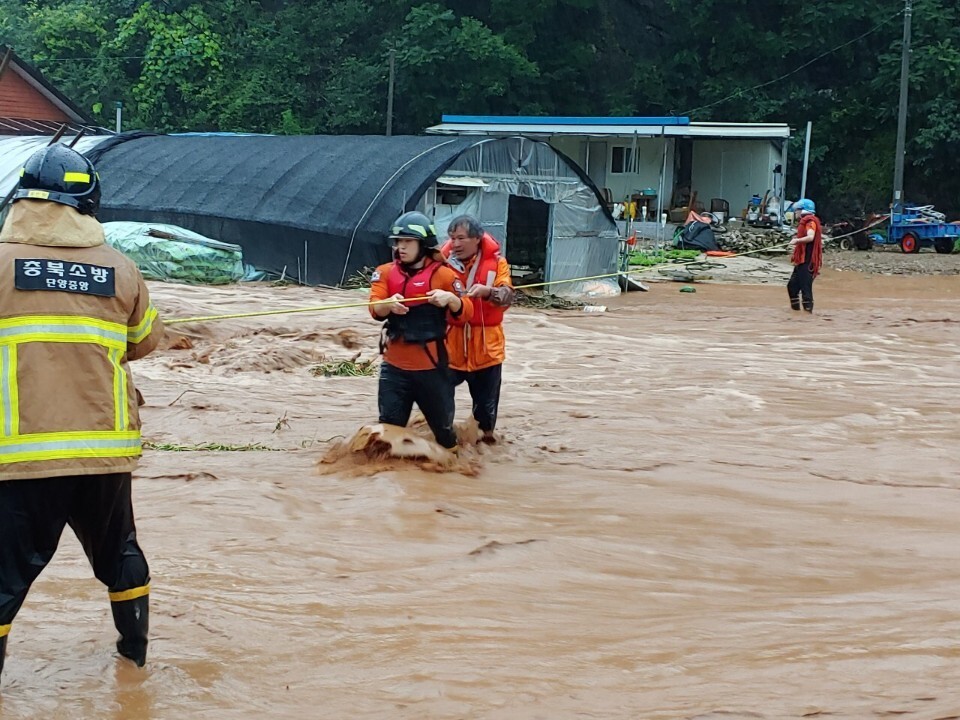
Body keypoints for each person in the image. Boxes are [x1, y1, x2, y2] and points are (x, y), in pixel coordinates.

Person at [0, 144, 163, 679]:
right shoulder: (120, 268)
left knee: (5, 575)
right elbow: (144, 341)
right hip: (103, 450)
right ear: (87, 204)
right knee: (120, 554)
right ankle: (133, 662)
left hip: (20, 453)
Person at [369, 211, 472, 449]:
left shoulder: (445, 275)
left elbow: (466, 313)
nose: (401, 247)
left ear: (422, 244)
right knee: (387, 436)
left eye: (407, 242)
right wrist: (387, 304)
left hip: (432, 371)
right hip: (394, 370)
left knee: (445, 436)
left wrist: (451, 299)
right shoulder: (384, 272)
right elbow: (374, 307)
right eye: (398, 242)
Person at [441, 215, 515, 443]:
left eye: (461, 238)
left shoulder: (498, 263)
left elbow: (507, 296)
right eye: (452, 238)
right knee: (439, 407)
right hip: (450, 348)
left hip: (487, 351)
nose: (455, 244)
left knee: (485, 419)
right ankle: (444, 444)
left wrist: (488, 292)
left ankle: (483, 456)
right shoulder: (440, 262)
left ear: (477, 239)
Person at [787, 198, 823, 313]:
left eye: (797, 210)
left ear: (802, 210)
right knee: (792, 286)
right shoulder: (805, 221)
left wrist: (797, 241)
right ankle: (796, 313)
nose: (795, 213)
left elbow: (810, 237)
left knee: (806, 290)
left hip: (808, 262)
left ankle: (807, 315)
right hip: (801, 261)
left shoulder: (810, 222)